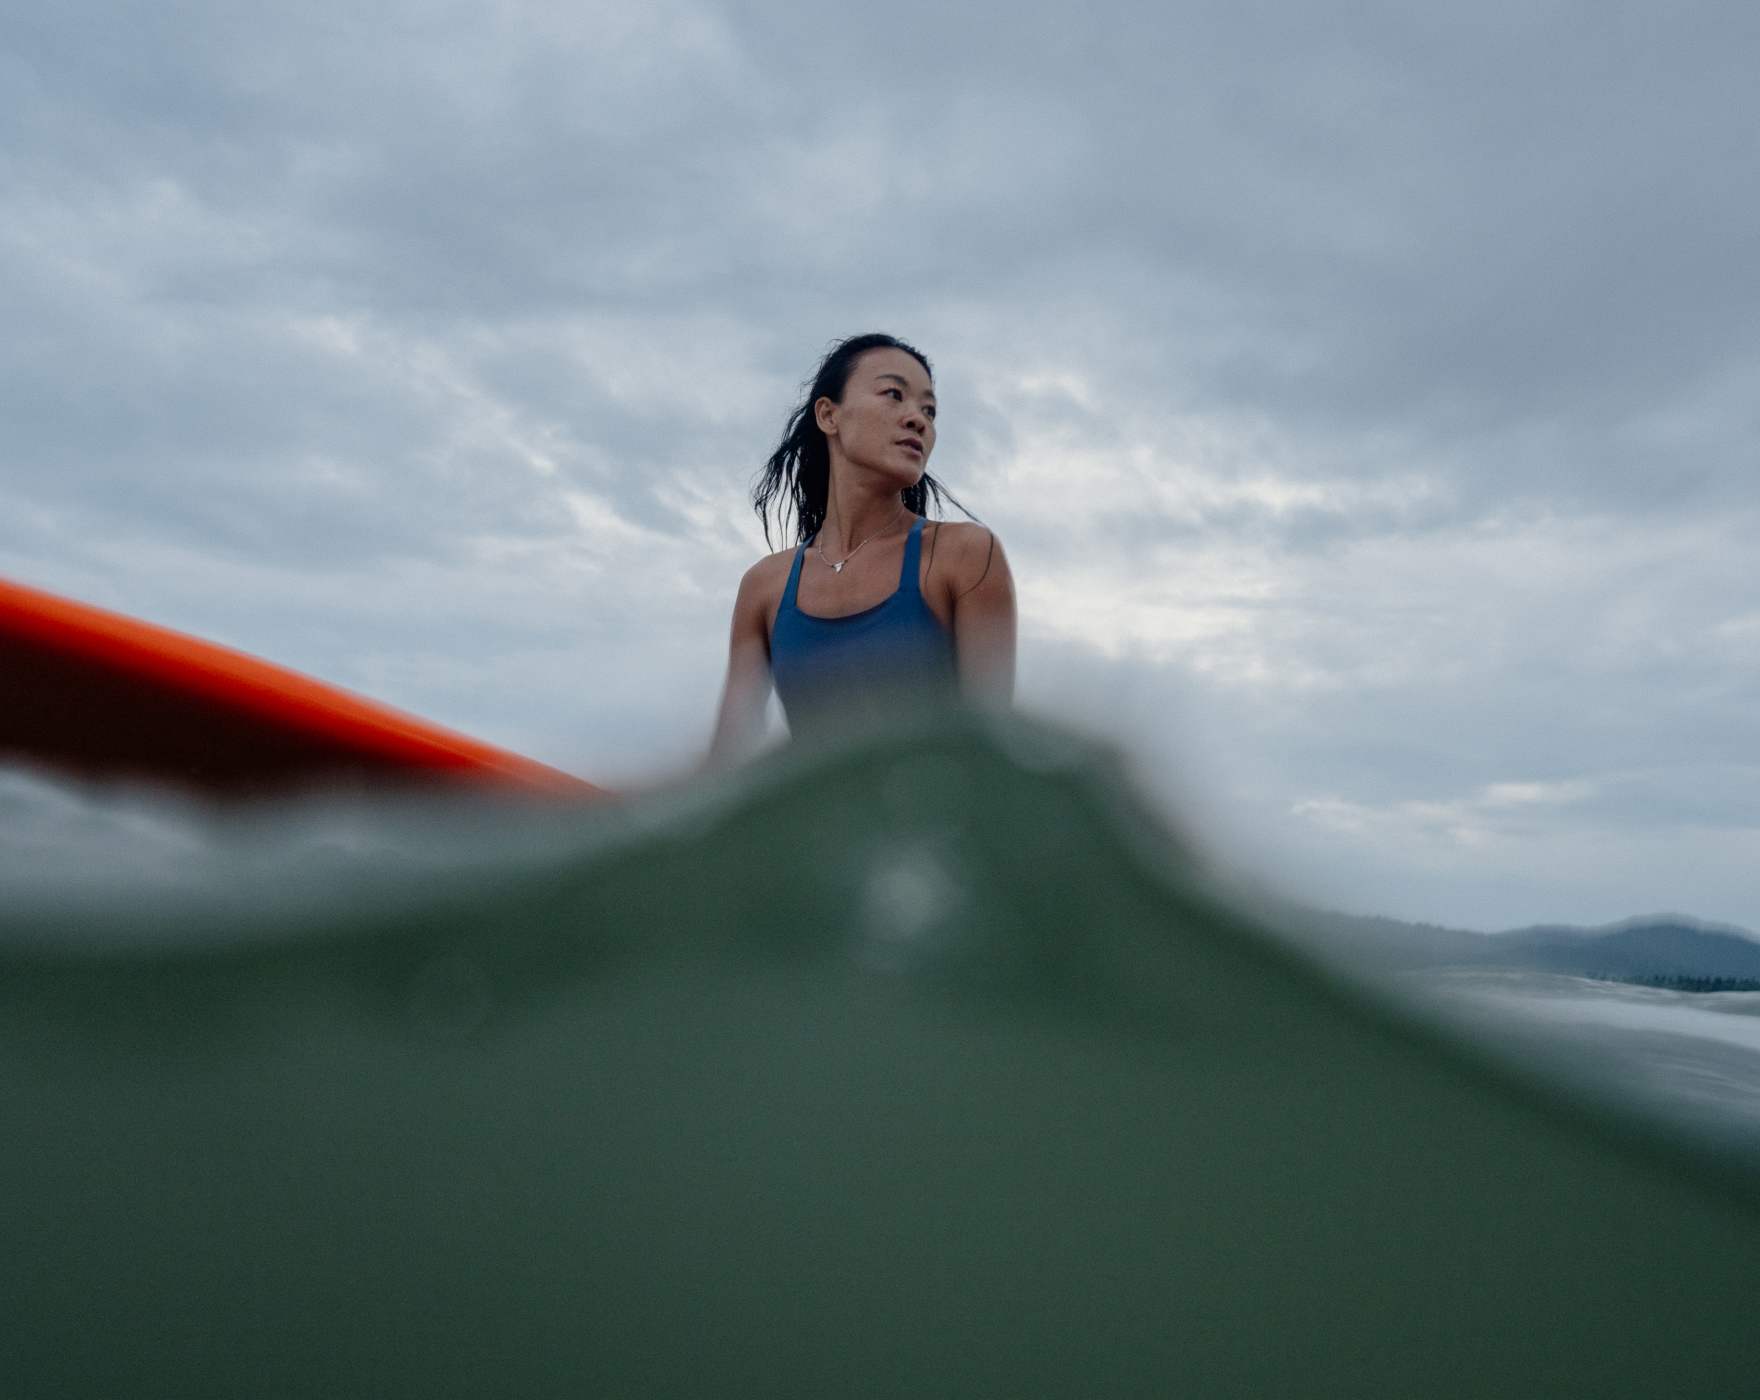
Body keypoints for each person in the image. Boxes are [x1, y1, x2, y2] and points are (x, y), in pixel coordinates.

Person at [708, 333, 1016, 762]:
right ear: (828, 416)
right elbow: (727, 759)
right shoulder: (766, 586)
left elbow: (994, 746)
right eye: (894, 395)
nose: (919, 420)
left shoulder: (964, 555)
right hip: (810, 827)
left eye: (929, 410)